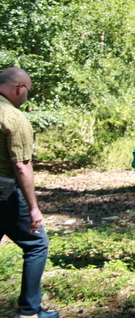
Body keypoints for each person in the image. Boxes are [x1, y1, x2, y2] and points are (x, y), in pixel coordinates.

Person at [0, 67, 59, 318]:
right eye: (28, 91)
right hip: (4, 192)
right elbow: (21, 165)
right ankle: (29, 310)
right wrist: (34, 207)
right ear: (19, 88)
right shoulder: (13, 117)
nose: (27, 97)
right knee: (36, 243)